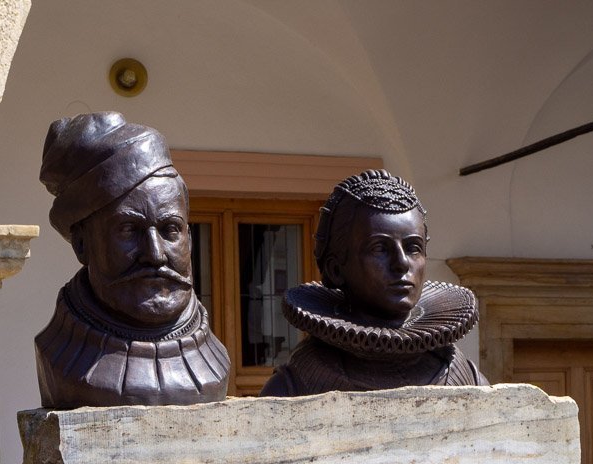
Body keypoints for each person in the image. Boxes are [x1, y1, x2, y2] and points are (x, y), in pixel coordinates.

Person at [35, 112, 229, 407]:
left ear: (188, 236)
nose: (155, 254)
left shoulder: (218, 357)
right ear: (82, 244)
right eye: (129, 229)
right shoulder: (58, 357)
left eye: (170, 229)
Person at [260, 169, 486, 396]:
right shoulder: (296, 384)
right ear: (335, 269)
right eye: (379, 248)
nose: (401, 263)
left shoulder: (464, 376)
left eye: (413, 248)